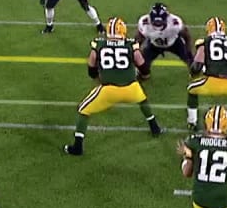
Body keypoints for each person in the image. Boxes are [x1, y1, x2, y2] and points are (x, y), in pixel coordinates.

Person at [63, 17, 161, 156]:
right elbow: (142, 64)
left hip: (108, 90)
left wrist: (96, 78)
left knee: (83, 109)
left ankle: (77, 147)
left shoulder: (99, 44)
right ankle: (154, 127)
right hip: (131, 88)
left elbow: (91, 65)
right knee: (142, 99)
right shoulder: (130, 44)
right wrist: (145, 76)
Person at [135, 2, 193, 80]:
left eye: (160, 22)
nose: (158, 24)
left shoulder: (175, 23)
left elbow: (186, 35)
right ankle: (143, 75)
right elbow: (139, 38)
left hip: (174, 43)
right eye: (155, 22)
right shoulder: (144, 23)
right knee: (142, 64)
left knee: (190, 59)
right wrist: (136, 51)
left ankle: (196, 73)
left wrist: (188, 49)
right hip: (154, 45)